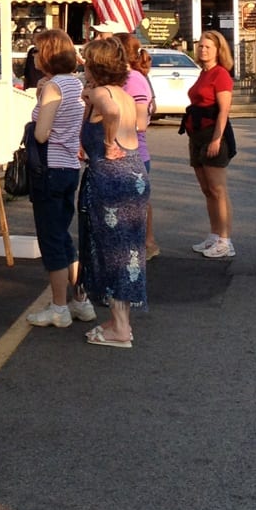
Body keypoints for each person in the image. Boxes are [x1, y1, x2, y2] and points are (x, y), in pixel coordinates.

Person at [78, 38, 149, 348]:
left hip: (112, 181)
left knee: (113, 253)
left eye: (85, 61)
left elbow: (110, 113)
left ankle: (120, 330)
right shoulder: (122, 92)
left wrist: (107, 143)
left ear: (95, 65)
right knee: (129, 251)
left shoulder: (102, 94)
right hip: (134, 176)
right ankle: (122, 322)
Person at [25, 30, 95, 328]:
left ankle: (58, 306)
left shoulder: (54, 86)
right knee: (64, 235)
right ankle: (80, 299)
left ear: (47, 55)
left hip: (48, 167)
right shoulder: (76, 84)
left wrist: (36, 119)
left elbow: (41, 132)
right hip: (69, 166)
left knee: (51, 238)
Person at [184, 30, 236, 259]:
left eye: (208, 47)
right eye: (201, 46)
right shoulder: (203, 73)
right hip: (196, 135)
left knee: (218, 190)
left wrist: (216, 139)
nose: (203, 49)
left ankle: (225, 240)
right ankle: (214, 235)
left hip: (212, 134)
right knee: (207, 190)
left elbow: (223, 111)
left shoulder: (220, 74)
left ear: (218, 50)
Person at [115, 33, 160, 260]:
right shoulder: (126, 77)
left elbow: (140, 123)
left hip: (133, 152)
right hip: (126, 151)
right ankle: (143, 243)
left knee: (135, 204)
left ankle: (144, 244)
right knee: (137, 202)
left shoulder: (133, 79)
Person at [22, 26, 46, 91]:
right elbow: (27, 73)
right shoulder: (31, 51)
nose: (34, 38)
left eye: (38, 36)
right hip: (30, 88)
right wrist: (25, 88)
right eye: (34, 36)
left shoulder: (50, 52)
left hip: (43, 87)